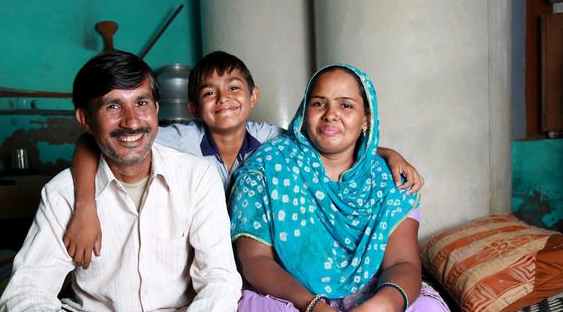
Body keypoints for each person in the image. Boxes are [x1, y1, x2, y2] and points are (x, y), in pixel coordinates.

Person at [63, 51, 425, 268]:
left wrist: (385, 152)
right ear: (193, 107)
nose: (223, 99)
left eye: (234, 88)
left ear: (253, 97)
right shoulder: (177, 140)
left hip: (260, 252)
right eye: (209, 93)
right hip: (196, 255)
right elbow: (92, 143)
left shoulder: (272, 139)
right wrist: (85, 206)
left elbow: (323, 138)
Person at [0, 51, 242, 312]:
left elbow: (219, 277)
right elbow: (24, 296)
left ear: (157, 109)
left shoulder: (197, 177)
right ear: (85, 120)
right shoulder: (62, 194)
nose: (132, 121)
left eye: (141, 102)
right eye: (112, 106)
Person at [230, 64, 461, 312]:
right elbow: (255, 261)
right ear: (305, 113)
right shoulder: (268, 168)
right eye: (319, 103)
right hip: (291, 298)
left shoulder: (390, 179)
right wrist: (311, 305)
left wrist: (380, 308)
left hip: (370, 297)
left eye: (346, 106)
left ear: (366, 119)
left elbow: (402, 262)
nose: (331, 115)